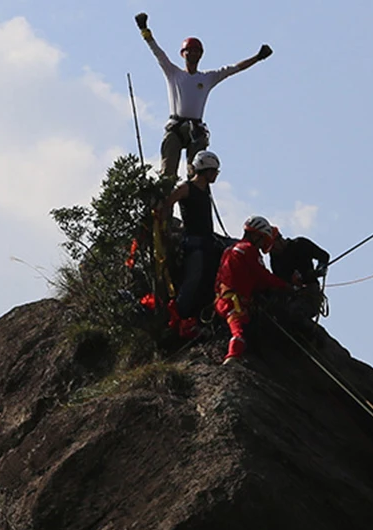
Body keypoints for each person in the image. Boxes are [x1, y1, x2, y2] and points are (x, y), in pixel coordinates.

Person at [135, 13, 273, 179]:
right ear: (183, 54)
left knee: (197, 175)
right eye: (189, 51)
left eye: (195, 51)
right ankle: (164, 202)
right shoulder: (174, 74)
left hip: (196, 130)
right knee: (168, 173)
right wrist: (144, 30)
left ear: (200, 54)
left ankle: (193, 203)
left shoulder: (207, 78)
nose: (192, 54)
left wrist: (257, 58)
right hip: (176, 127)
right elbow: (158, 53)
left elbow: (234, 69)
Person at [157, 149, 222, 338]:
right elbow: (168, 202)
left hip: (207, 240)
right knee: (192, 280)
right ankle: (177, 319)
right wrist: (164, 226)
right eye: (214, 171)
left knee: (207, 279)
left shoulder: (204, 189)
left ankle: (197, 317)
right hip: (194, 241)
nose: (216, 175)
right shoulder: (187, 188)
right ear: (207, 171)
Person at [214, 216, 290, 365]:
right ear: (256, 235)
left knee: (240, 325)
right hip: (235, 302)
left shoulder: (230, 250)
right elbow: (263, 277)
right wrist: (286, 286)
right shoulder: (249, 250)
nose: (262, 245)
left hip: (222, 299)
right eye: (262, 240)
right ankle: (232, 356)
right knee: (239, 330)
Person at [269, 228, 330, 320]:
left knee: (295, 314)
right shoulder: (275, 260)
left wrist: (320, 269)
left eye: (272, 246)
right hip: (292, 296)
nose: (272, 250)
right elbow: (280, 282)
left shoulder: (300, 244)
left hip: (310, 293)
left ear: (279, 239)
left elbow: (324, 256)